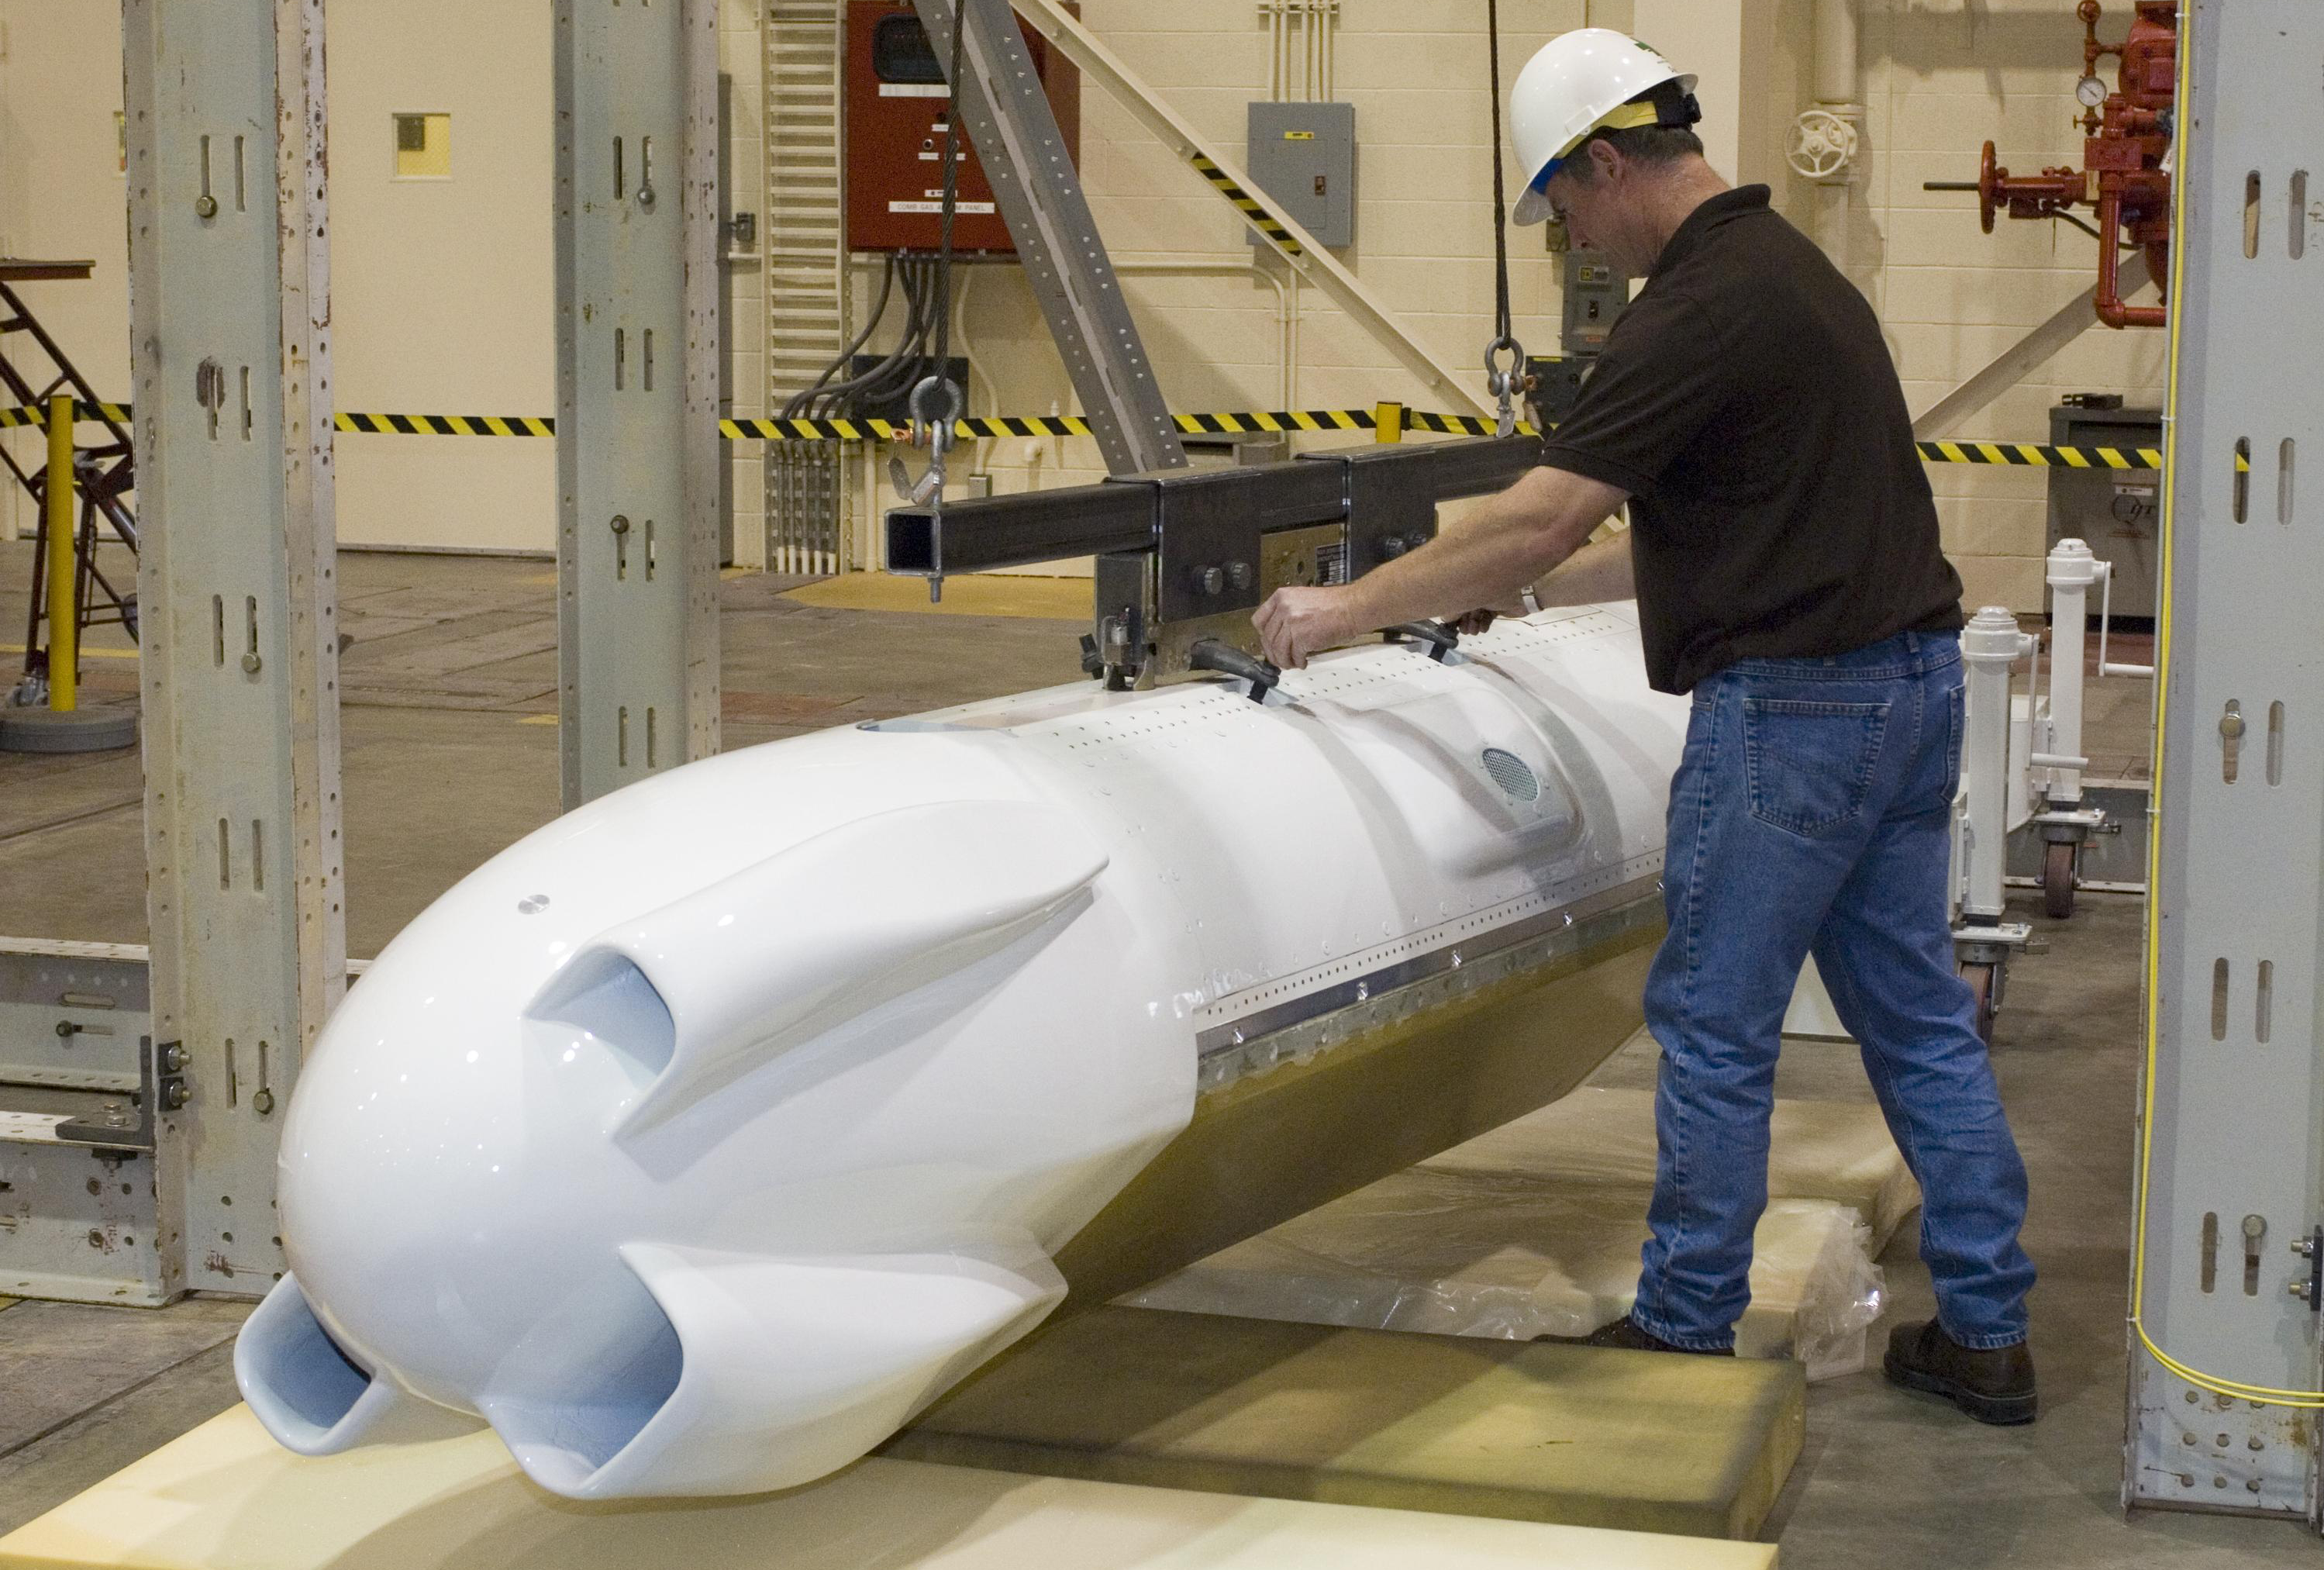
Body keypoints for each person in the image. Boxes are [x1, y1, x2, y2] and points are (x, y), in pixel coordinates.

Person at [1252, 29, 2037, 1426]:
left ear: (1606, 162)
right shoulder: (1796, 277)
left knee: (1713, 1028)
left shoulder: (1694, 307)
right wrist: (1521, 592)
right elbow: (1699, 525)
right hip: (1905, 691)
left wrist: (1349, 606)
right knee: (1916, 1024)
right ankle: (1987, 1333)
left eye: (1561, 208)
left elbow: (1547, 506)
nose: (1572, 241)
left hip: (1797, 714)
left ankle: (1682, 1327)